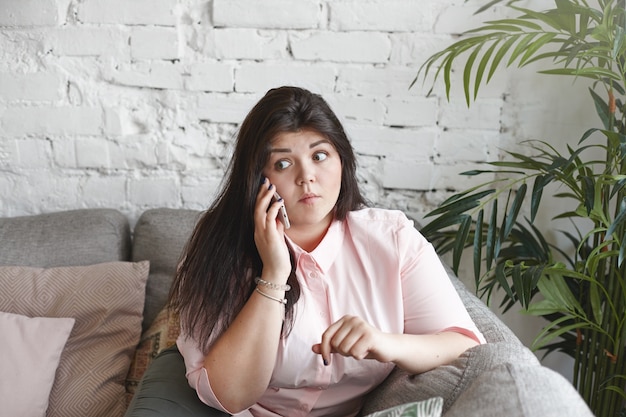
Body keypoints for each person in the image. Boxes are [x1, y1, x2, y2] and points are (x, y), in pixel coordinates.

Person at [168, 86, 485, 417]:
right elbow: (230, 394)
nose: (307, 177)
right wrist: (274, 274)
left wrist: (385, 343)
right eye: (283, 163)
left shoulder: (392, 238)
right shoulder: (216, 250)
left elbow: (464, 345)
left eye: (319, 156)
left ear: (342, 160)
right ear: (258, 178)